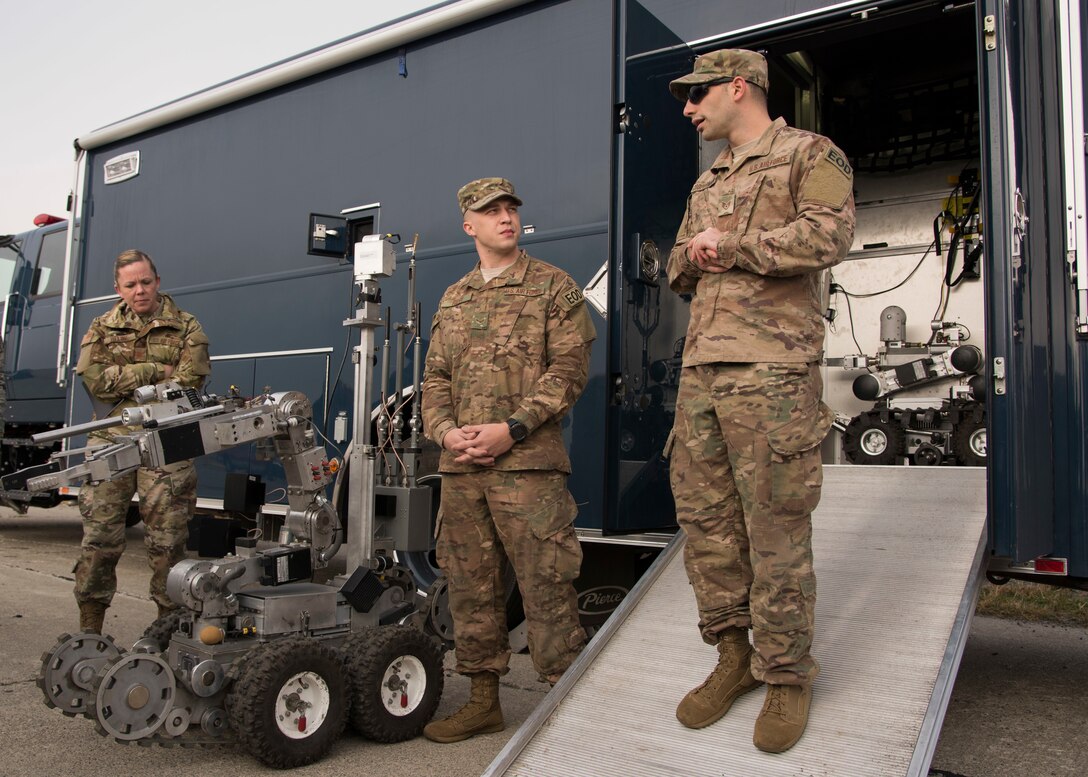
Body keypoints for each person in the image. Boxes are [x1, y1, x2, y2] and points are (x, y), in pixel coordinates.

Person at [664, 50, 856, 753]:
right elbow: (679, 264)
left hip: (773, 374)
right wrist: (699, 251)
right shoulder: (708, 179)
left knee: (775, 528)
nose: (689, 109)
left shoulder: (811, 154)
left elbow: (831, 234)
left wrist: (734, 244)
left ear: (737, 87)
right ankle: (733, 654)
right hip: (703, 376)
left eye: (697, 95)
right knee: (708, 525)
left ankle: (786, 672)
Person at [421, 177, 596, 743]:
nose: (505, 217)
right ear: (468, 225)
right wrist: (446, 435)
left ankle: (563, 705)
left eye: (510, 209)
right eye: (489, 211)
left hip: (528, 468)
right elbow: (434, 379)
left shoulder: (552, 286)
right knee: (471, 588)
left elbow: (569, 371)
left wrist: (512, 429)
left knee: (546, 586)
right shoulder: (454, 297)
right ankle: (482, 701)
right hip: (462, 469)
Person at [73, 249, 211, 634]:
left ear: (158, 281)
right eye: (131, 284)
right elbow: (94, 380)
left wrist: (129, 381)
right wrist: (152, 371)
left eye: (146, 282)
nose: (140, 290)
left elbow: (188, 384)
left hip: (168, 443)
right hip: (110, 441)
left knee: (168, 545)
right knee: (99, 541)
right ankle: (89, 632)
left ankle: (167, 634)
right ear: (118, 288)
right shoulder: (102, 326)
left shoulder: (186, 326)